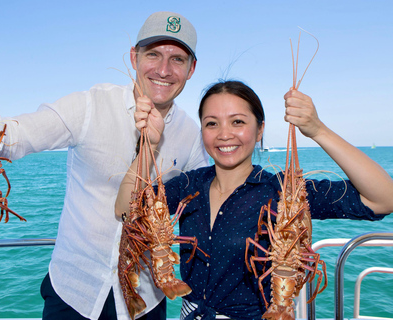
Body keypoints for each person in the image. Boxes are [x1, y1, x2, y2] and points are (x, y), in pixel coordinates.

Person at [0, 11, 210, 320]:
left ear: (191, 69)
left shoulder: (192, 135)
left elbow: (210, 207)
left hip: (146, 299)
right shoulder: (89, 105)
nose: (164, 69)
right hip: (73, 292)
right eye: (154, 54)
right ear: (134, 57)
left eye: (177, 59)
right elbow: (10, 139)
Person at [115, 80, 393, 319]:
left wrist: (317, 130)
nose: (224, 134)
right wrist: (148, 145)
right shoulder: (189, 184)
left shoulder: (282, 190)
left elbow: (383, 199)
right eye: (212, 124)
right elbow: (125, 209)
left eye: (238, 122)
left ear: (260, 130)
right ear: (202, 132)